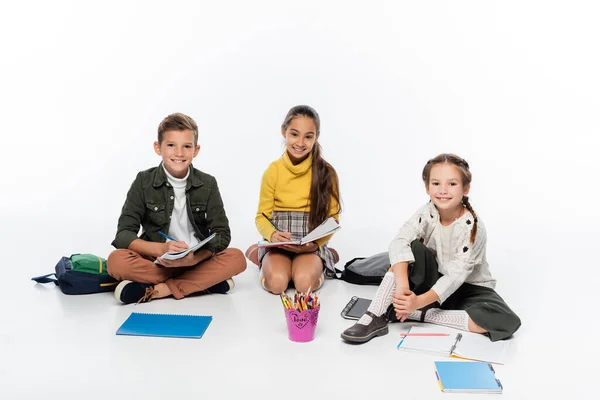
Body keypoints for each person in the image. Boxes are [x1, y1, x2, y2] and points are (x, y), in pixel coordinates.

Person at [341, 153, 521, 343]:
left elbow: (455, 277)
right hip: (432, 281)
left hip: (467, 288)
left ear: (466, 188)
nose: (443, 190)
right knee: (410, 248)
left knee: (505, 320)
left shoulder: (472, 228)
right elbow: (399, 241)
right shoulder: (427, 212)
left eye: (452, 184)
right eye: (436, 183)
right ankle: (374, 315)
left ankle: (421, 314)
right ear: (427, 188)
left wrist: (417, 303)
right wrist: (402, 287)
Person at [107, 112, 246, 304]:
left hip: (196, 261)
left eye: (186, 146)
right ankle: (203, 283)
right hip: (157, 261)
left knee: (237, 258)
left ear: (195, 150)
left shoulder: (208, 183)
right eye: (171, 145)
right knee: (116, 261)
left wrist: (194, 259)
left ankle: (159, 290)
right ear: (158, 147)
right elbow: (123, 234)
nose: (179, 153)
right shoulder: (143, 181)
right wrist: (161, 249)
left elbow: (222, 234)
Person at [252, 105, 341, 294]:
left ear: (316, 137)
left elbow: (333, 219)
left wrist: (316, 244)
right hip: (279, 243)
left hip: (309, 244)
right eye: (294, 134)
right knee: (277, 284)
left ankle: (324, 258)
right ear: (283, 131)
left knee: (303, 285)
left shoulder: (327, 172)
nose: (300, 142)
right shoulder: (273, 171)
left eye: (308, 136)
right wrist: (273, 235)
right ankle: (258, 256)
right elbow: (261, 217)